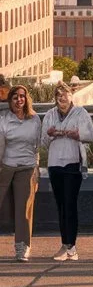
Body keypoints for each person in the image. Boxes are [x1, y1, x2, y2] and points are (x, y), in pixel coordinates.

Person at [42, 81, 93, 261]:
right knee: (60, 205)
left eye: (65, 95)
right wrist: (50, 134)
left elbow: (91, 135)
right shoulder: (50, 115)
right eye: (58, 95)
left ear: (71, 96)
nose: (62, 98)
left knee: (70, 203)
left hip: (73, 163)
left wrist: (77, 134)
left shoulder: (80, 113)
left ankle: (71, 246)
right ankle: (65, 244)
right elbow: (43, 142)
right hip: (55, 163)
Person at [0, 85, 42, 261]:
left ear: (27, 99)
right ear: (10, 101)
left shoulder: (34, 120)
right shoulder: (3, 120)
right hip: (6, 166)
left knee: (24, 209)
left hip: (27, 167)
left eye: (22, 96)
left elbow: (38, 146)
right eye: (15, 97)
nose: (19, 100)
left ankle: (22, 247)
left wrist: (37, 168)